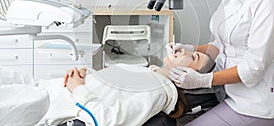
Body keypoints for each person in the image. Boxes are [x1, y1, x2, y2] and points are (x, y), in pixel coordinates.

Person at [36, 49, 211, 126]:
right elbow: (110, 88)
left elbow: (107, 120)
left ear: (189, 76)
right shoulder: (148, 74)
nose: (184, 50)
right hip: (45, 89)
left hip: (43, 110)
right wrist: (86, 74)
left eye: (193, 57)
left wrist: (78, 88)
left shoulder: (159, 92)